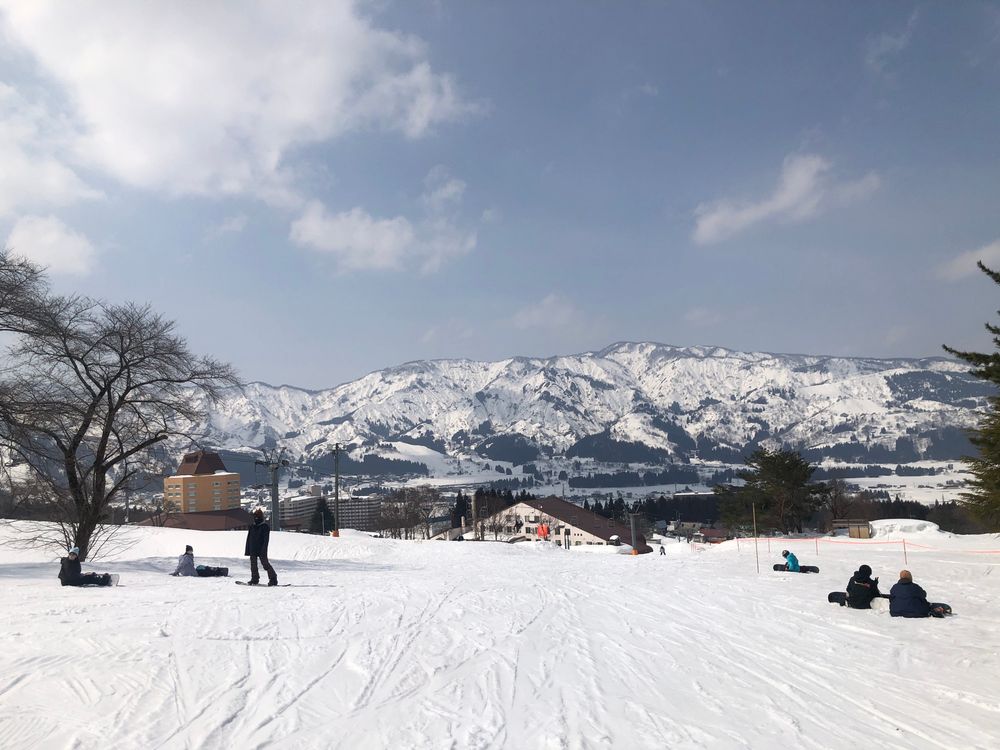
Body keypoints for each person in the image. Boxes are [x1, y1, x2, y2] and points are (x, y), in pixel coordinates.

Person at [245, 508, 278, 586]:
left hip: (261, 549)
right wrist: (248, 549)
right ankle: (254, 579)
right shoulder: (252, 526)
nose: (256, 518)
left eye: (257, 517)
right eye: (255, 517)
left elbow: (266, 540)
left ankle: (273, 578)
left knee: (265, 564)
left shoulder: (264, 527)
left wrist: (263, 549)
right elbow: (249, 538)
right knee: (253, 565)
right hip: (253, 548)